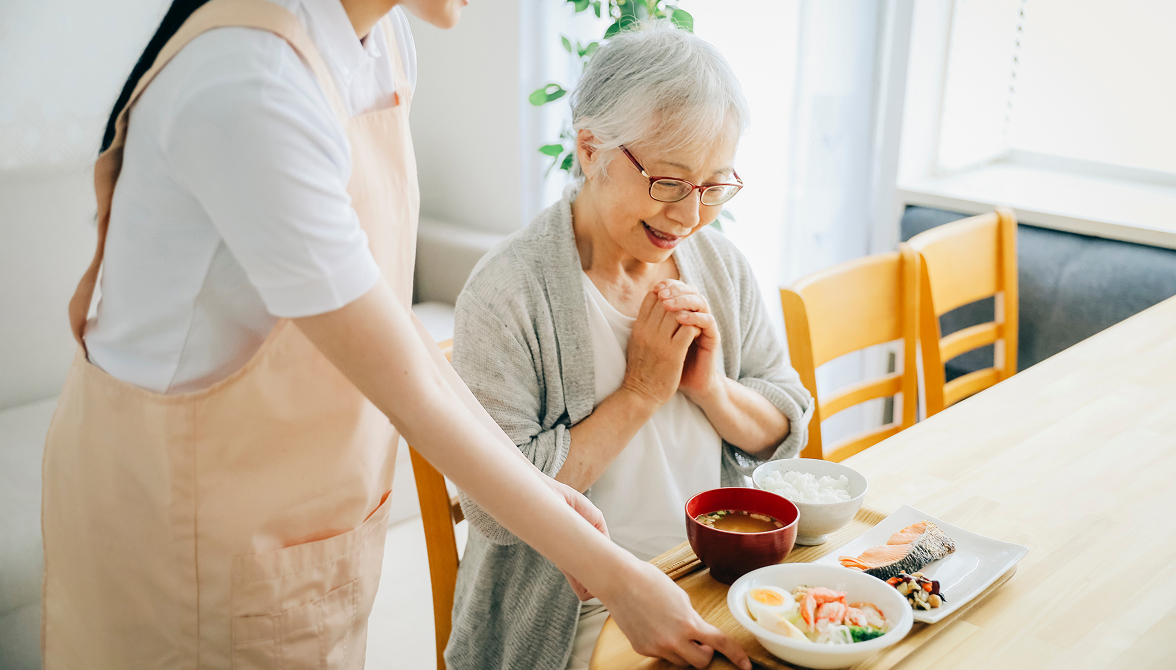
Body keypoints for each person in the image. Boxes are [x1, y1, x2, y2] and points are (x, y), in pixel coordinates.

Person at [39, 1, 752, 668]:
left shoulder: (378, 42)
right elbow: (408, 391)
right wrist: (613, 575)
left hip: (306, 513)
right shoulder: (248, 83)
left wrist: (547, 502)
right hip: (186, 530)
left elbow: (388, 321)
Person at [446, 21, 815, 670]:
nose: (689, 215)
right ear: (590, 149)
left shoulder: (719, 265)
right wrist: (642, 390)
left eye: (714, 186)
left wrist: (710, 390)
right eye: (668, 182)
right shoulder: (507, 293)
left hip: (713, 574)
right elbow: (498, 509)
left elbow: (786, 418)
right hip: (578, 612)